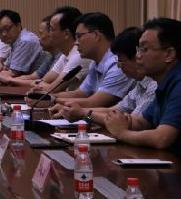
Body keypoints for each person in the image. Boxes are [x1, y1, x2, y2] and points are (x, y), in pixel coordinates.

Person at [104, 18, 181, 155]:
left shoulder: (179, 83)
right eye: (138, 49)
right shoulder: (163, 83)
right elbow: (141, 121)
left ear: (169, 54)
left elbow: (162, 138)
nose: (137, 56)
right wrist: (120, 120)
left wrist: (122, 133)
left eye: (144, 49)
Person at [51, 27, 157, 125]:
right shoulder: (140, 84)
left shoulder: (154, 85)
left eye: (121, 60)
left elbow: (135, 123)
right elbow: (115, 111)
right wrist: (77, 111)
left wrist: (84, 114)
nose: (119, 66)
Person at [51, 12, 135, 108]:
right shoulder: (95, 63)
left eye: (79, 36)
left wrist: (53, 100)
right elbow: (80, 93)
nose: (76, 43)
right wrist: (49, 96)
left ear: (96, 35)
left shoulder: (118, 64)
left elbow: (93, 103)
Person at [29, 6, 91, 93]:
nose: (49, 33)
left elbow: (52, 89)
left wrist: (41, 86)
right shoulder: (65, 54)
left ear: (66, 34)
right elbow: (44, 81)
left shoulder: (79, 56)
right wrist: (41, 85)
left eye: (51, 29)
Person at [0, 15, 61, 86]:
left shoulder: (62, 56)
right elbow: (33, 77)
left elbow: (43, 82)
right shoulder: (51, 56)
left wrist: (10, 79)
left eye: (41, 33)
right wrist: (9, 79)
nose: (39, 39)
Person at [0, 9, 43, 77]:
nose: (3, 34)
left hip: (40, 82)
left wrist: (4, 70)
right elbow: (4, 68)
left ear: (18, 26)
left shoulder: (25, 41)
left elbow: (12, 74)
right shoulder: (15, 42)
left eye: (7, 29)